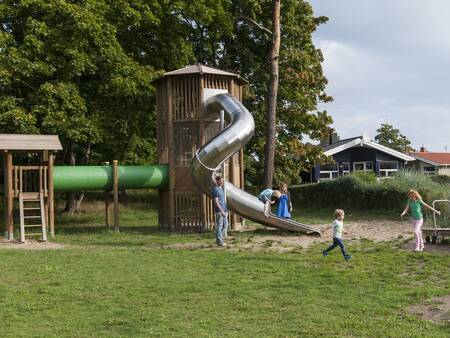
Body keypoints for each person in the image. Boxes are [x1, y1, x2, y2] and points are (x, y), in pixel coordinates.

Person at [212, 176, 228, 247]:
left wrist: (225, 210)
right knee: (220, 226)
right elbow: (216, 202)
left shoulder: (221, 188)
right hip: (219, 211)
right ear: (217, 181)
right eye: (221, 181)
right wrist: (221, 211)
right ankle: (220, 241)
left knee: (226, 225)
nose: (222, 182)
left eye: (223, 181)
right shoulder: (215, 189)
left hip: (224, 210)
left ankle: (219, 239)